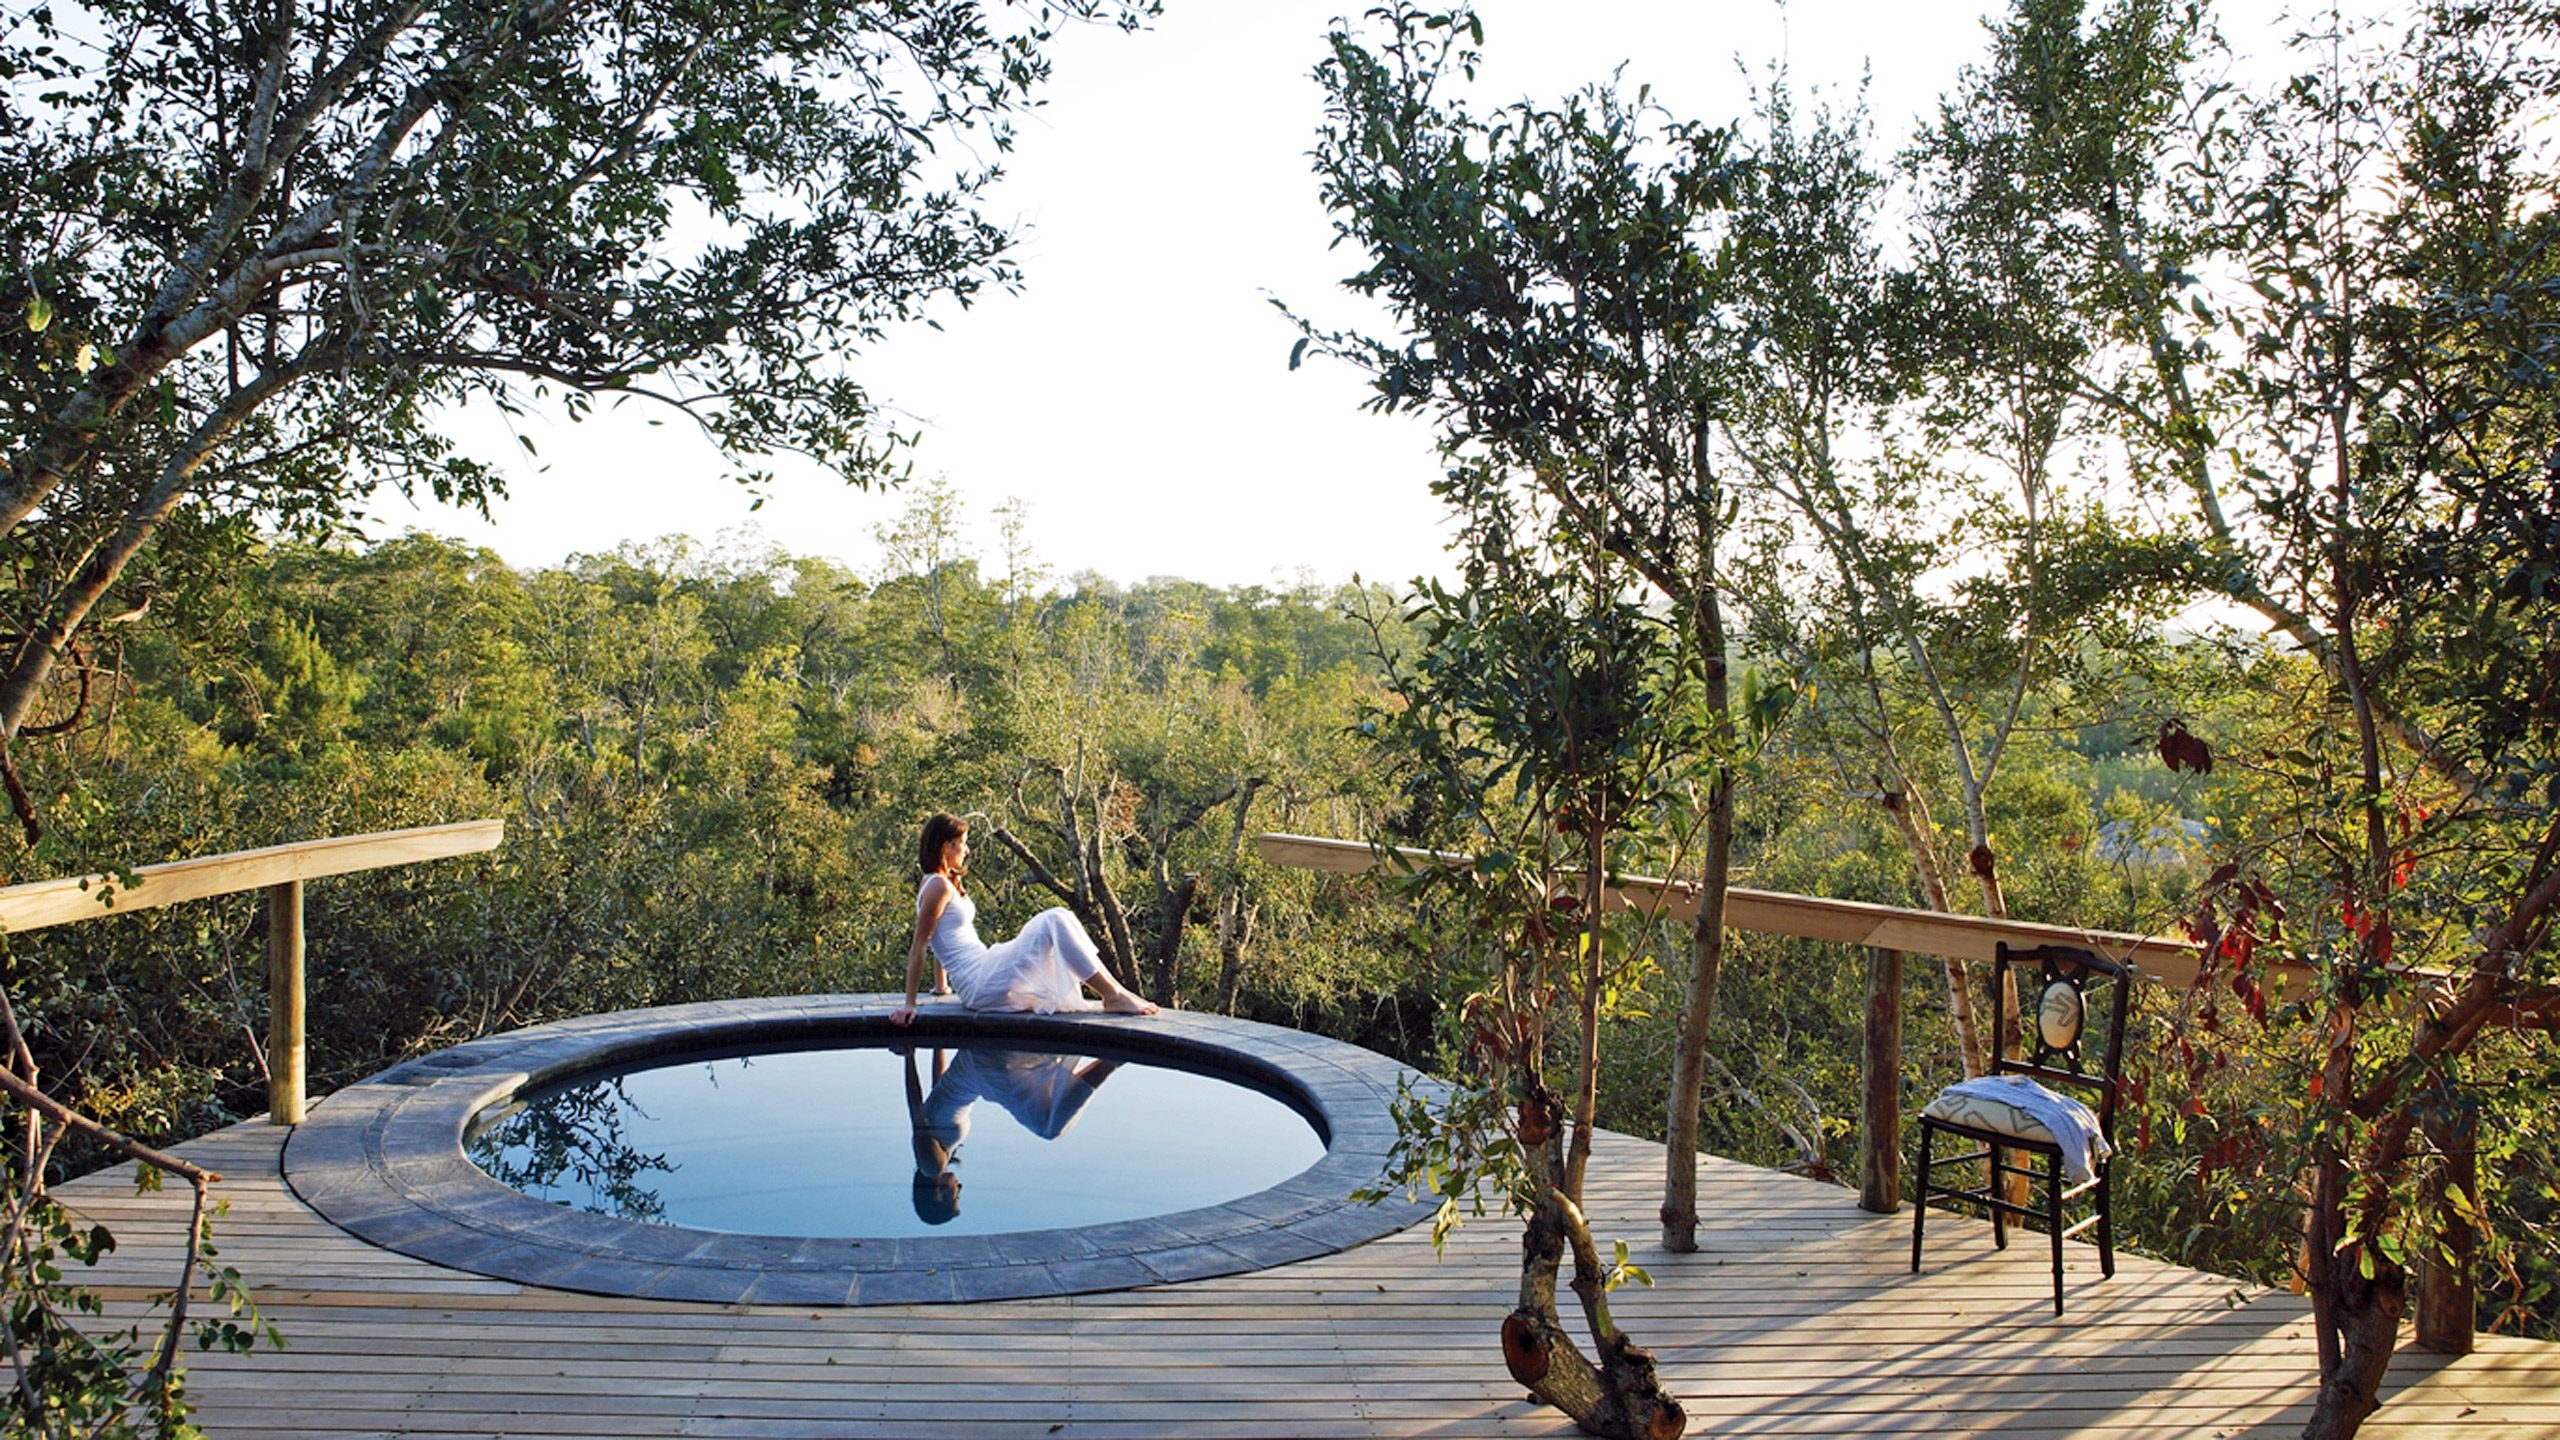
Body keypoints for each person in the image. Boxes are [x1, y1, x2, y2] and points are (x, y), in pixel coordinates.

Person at [890, 812, 1158, 1025]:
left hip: (984, 966)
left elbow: (942, 934)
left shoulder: (943, 882)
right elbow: (921, 944)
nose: (967, 850)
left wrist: (941, 986)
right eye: (963, 844)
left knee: (1061, 916)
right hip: (978, 982)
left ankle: (1116, 992)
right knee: (1054, 920)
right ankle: (1113, 996)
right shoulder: (938, 886)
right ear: (946, 846)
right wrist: (909, 1004)